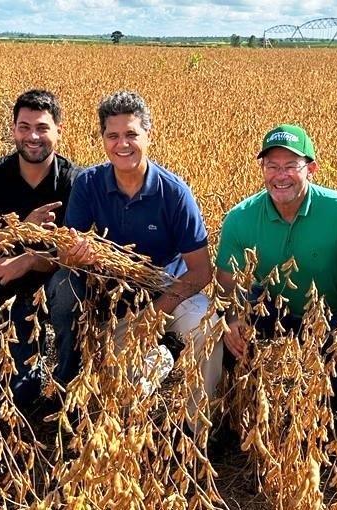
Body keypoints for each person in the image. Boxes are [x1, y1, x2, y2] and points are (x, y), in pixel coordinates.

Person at [48, 90, 220, 422]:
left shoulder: (174, 193)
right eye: (113, 136)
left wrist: (153, 315)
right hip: (118, 294)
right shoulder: (89, 184)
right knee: (120, 402)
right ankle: (156, 360)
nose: (122, 144)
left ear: (148, 136)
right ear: (103, 139)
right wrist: (76, 256)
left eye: (131, 134)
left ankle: (197, 428)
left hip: (171, 287)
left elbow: (200, 273)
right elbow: (68, 254)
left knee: (206, 327)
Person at [214, 124, 337, 405]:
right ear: (262, 168)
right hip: (267, 311)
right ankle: (238, 412)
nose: (280, 175)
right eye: (272, 166)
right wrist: (233, 320)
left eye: (291, 166)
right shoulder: (240, 218)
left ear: (311, 169)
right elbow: (227, 283)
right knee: (218, 345)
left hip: (329, 316)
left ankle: (319, 413)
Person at [0, 89, 81, 407]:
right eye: (24, 127)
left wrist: (26, 260)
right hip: (4, 290)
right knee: (10, 395)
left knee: (68, 285)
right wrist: (23, 228)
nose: (33, 136)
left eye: (42, 127)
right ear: (13, 130)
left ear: (58, 133)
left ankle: (68, 381)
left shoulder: (76, 182)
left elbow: (74, 254)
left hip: (53, 288)